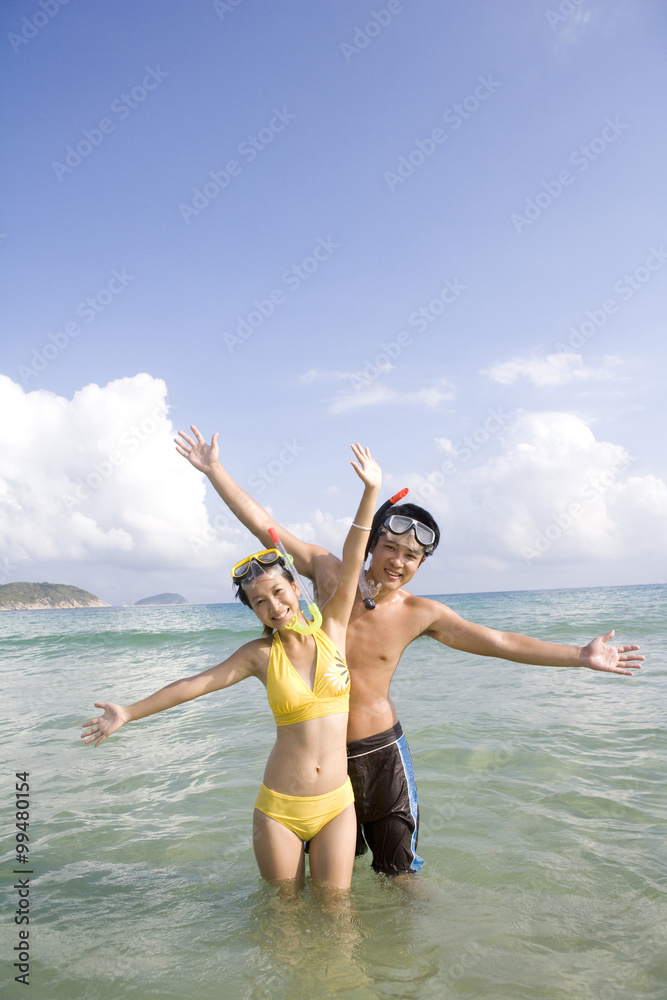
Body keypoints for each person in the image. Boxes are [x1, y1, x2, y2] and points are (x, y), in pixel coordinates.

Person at [175, 426, 644, 878]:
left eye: (412, 556)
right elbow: (264, 525)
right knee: (318, 886)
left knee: (398, 877)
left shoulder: (421, 613)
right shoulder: (328, 575)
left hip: (382, 754)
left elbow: (500, 643)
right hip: (322, 761)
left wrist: (579, 656)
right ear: (372, 543)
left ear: (422, 563)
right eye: (390, 547)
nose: (398, 561)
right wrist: (214, 471)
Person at [81, 443, 381, 890]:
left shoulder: (334, 627)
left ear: (296, 590)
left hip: (337, 805)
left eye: (278, 594)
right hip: (280, 808)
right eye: (260, 603)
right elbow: (194, 685)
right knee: (283, 924)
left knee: (338, 919)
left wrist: (371, 491)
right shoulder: (259, 657)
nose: (273, 607)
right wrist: (128, 712)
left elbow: (354, 556)